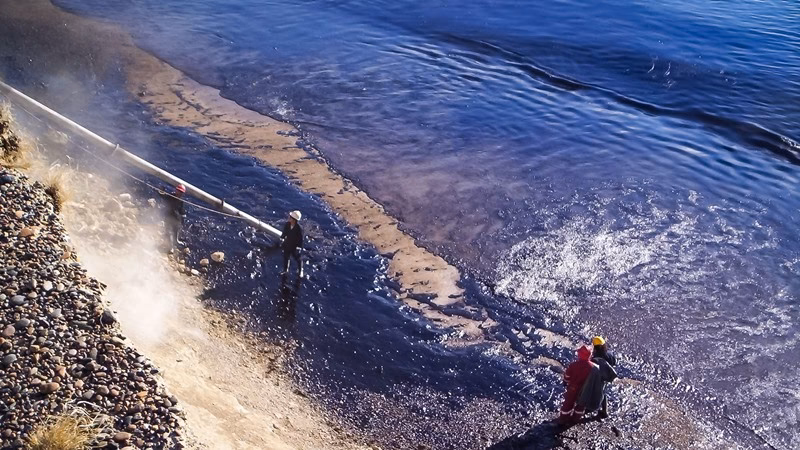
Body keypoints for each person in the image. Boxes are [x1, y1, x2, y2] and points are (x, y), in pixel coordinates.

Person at [578, 336, 618, 419]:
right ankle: (604, 411)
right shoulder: (609, 355)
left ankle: (586, 409)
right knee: (603, 393)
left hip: (596, 378)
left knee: (591, 391)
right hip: (605, 378)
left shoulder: (594, 357)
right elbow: (614, 362)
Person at [558, 345, 593, 425]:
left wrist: (565, 382)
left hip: (573, 389)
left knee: (568, 403)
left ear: (579, 355)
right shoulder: (593, 367)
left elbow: (567, 376)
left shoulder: (573, 365)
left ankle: (563, 419)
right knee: (581, 405)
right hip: (585, 390)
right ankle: (576, 418)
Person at [160, 184, 186, 251]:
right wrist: (161, 191)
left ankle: (175, 243)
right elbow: (163, 195)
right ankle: (170, 246)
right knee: (168, 232)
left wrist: (183, 219)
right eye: (179, 191)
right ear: (176, 190)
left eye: (181, 192)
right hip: (168, 217)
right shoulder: (170, 196)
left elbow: (182, 211)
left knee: (175, 233)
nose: (180, 193)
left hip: (176, 219)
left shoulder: (181, 201)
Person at [280, 210, 304, 277]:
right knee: (286, 257)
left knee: (298, 259)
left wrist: (298, 247)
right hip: (287, 244)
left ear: (294, 220)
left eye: (290, 217)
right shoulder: (287, 224)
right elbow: (284, 232)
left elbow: (300, 239)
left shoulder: (299, 229)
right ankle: (285, 270)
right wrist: (282, 238)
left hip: (294, 246)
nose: (289, 218)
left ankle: (300, 270)